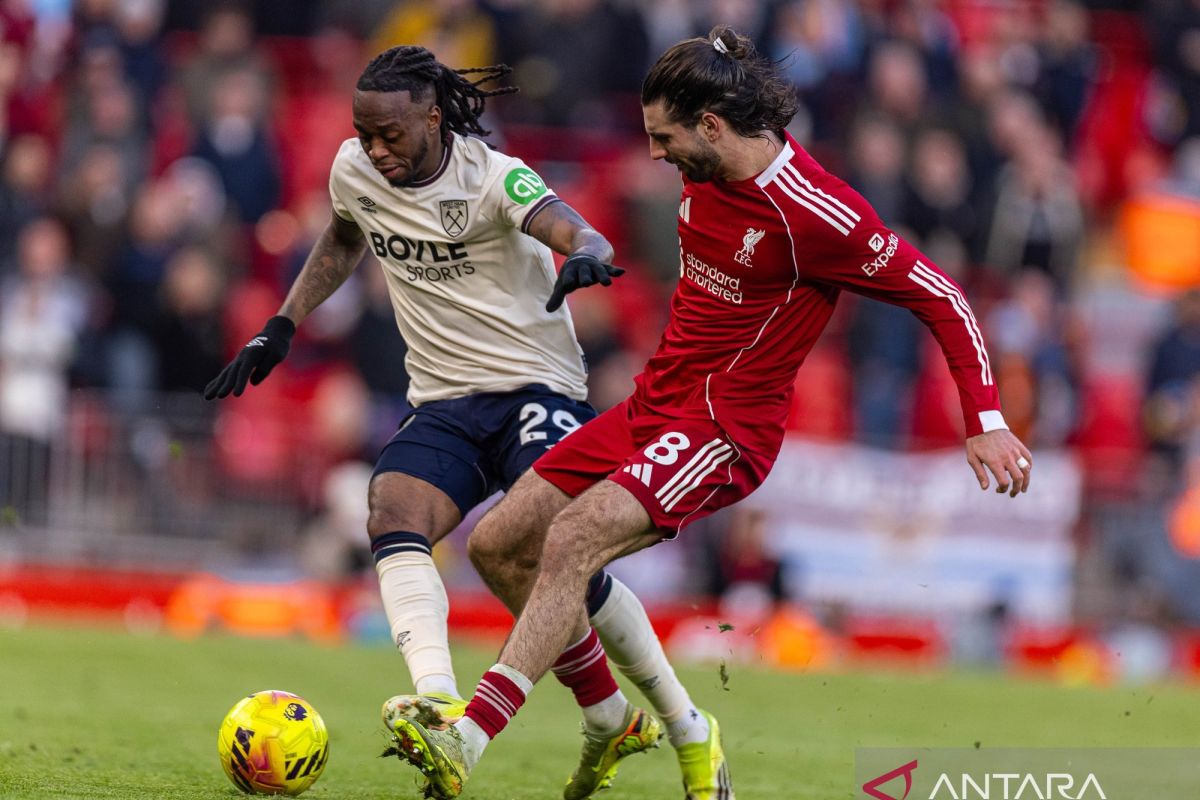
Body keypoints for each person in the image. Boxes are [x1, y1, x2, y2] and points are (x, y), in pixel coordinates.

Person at [385, 26, 1034, 800]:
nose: (657, 155)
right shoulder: (707, 164)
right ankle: (662, 725)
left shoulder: (816, 213)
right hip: (654, 404)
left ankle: (467, 739)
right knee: (497, 544)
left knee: (574, 537)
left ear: (712, 126)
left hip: (724, 429)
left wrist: (985, 418)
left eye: (665, 138)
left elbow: (942, 294)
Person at [204, 45, 706, 798]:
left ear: (435, 118)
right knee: (392, 508)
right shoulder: (357, 171)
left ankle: (680, 719)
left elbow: (565, 222)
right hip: (443, 399)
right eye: (363, 134)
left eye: (391, 136)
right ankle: (439, 703)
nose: (376, 151)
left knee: (551, 553)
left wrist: (589, 252)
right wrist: (282, 323)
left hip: (538, 390)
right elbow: (346, 232)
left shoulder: (492, 177)